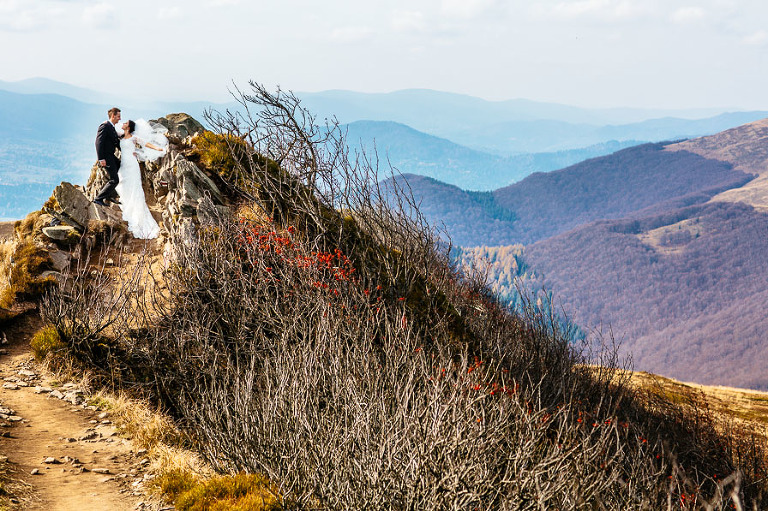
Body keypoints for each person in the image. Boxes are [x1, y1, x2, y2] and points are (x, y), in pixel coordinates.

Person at [115, 119, 168, 239]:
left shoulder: (134, 137)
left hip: (132, 165)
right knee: (123, 184)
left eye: (125, 124)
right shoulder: (121, 136)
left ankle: (137, 214)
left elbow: (146, 144)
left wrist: (158, 149)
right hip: (124, 165)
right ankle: (127, 204)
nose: (123, 124)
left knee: (134, 187)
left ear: (128, 127)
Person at [93, 107, 123, 206]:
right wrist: (101, 158)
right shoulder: (104, 126)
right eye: (118, 116)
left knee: (120, 165)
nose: (120, 118)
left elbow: (115, 141)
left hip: (111, 155)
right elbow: (98, 143)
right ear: (113, 116)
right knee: (115, 179)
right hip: (106, 156)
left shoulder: (111, 127)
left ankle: (109, 194)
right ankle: (98, 199)